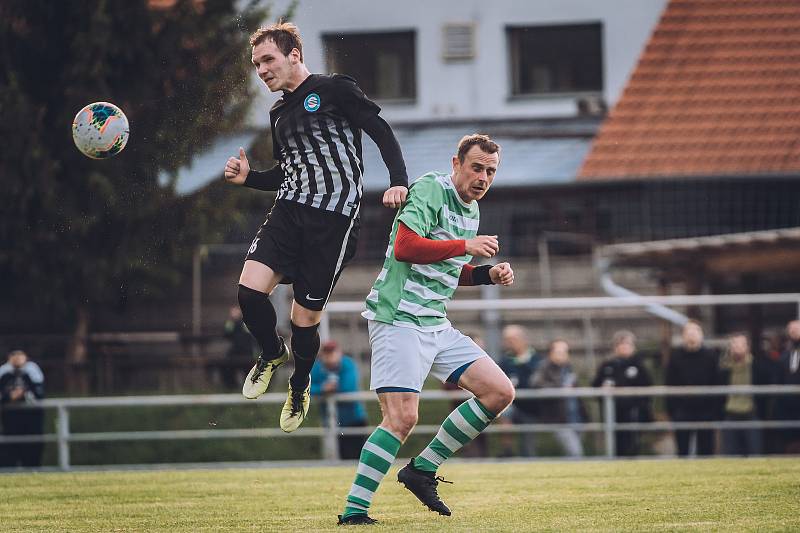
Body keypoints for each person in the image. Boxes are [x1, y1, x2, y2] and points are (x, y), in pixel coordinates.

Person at [223, 22, 409, 433]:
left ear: (294, 55)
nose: (262, 70)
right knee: (249, 291)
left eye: (267, 59)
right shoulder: (277, 113)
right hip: (288, 211)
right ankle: (271, 353)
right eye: (256, 64)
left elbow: (380, 131)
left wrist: (399, 181)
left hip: (334, 221)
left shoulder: (334, 89)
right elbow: (289, 170)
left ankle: (300, 383)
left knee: (303, 318)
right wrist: (250, 177)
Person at [337, 134, 515, 525]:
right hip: (398, 317)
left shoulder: (470, 211)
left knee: (499, 391)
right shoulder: (431, 189)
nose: (483, 177)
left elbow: (446, 268)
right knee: (401, 419)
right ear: (456, 163)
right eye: (476, 168)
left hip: (434, 322)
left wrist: (486, 275)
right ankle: (354, 511)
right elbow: (405, 247)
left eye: (491, 171)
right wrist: (466, 245)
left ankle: (421, 469)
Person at [591, 330, 653, 457]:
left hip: (633, 413)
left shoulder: (639, 365)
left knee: (631, 446)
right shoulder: (607, 365)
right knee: (615, 447)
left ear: (633, 347)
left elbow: (647, 389)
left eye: (627, 344)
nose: (624, 347)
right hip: (613, 414)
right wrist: (603, 388)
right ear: (615, 347)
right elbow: (595, 386)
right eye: (621, 344)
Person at [665, 320, 722, 457]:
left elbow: (717, 382)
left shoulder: (711, 356)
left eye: (695, 331)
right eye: (688, 332)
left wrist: (714, 410)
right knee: (682, 451)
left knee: (706, 451)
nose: (692, 335)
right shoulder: (675, 357)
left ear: (701, 335)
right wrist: (673, 411)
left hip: (706, 411)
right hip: (682, 411)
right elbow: (669, 384)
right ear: (683, 336)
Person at [310, 340, 368, 460]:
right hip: (330, 421)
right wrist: (323, 388)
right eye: (327, 353)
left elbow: (348, 387)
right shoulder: (317, 368)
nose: (330, 356)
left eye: (332, 352)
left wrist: (328, 389)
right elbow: (307, 388)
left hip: (354, 420)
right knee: (339, 457)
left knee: (357, 457)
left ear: (339, 353)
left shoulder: (348, 364)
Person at [531, 339, 584, 458]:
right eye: (559, 352)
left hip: (576, 417)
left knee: (574, 452)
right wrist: (560, 388)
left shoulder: (569, 367)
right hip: (558, 418)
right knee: (576, 452)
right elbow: (536, 384)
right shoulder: (544, 367)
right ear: (551, 353)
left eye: (565, 352)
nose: (562, 355)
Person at [497, 324, 541, 456]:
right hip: (513, 404)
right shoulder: (505, 361)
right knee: (504, 413)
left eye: (512, 339)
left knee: (528, 443)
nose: (509, 343)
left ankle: (529, 458)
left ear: (523, 339)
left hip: (532, 407)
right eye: (507, 340)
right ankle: (507, 450)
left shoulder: (536, 359)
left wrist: (523, 363)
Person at [718, 333, 763, 456]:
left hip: (751, 414)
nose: (737, 347)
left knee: (754, 453)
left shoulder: (757, 366)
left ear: (747, 347)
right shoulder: (724, 368)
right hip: (730, 415)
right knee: (730, 454)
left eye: (740, 344)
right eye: (734, 344)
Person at [0, 349, 45, 467]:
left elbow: (39, 395)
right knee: (9, 457)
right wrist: (9, 396)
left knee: (32, 457)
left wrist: (23, 393)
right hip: (10, 423)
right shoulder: (4, 373)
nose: (17, 357)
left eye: (20, 354)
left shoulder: (32, 371)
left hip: (32, 422)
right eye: (14, 354)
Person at [774, 319, 800, 453]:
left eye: (796, 329)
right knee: (790, 440)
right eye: (791, 330)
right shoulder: (784, 356)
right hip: (788, 405)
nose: (793, 332)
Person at [221, 305, 257, 390]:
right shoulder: (230, 323)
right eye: (233, 312)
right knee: (226, 366)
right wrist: (232, 321)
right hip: (235, 351)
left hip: (247, 352)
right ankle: (231, 387)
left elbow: (250, 335)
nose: (234, 314)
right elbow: (226, 334)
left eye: (236, 312)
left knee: (248, 369)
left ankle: (249, 388)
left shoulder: (246, 321)